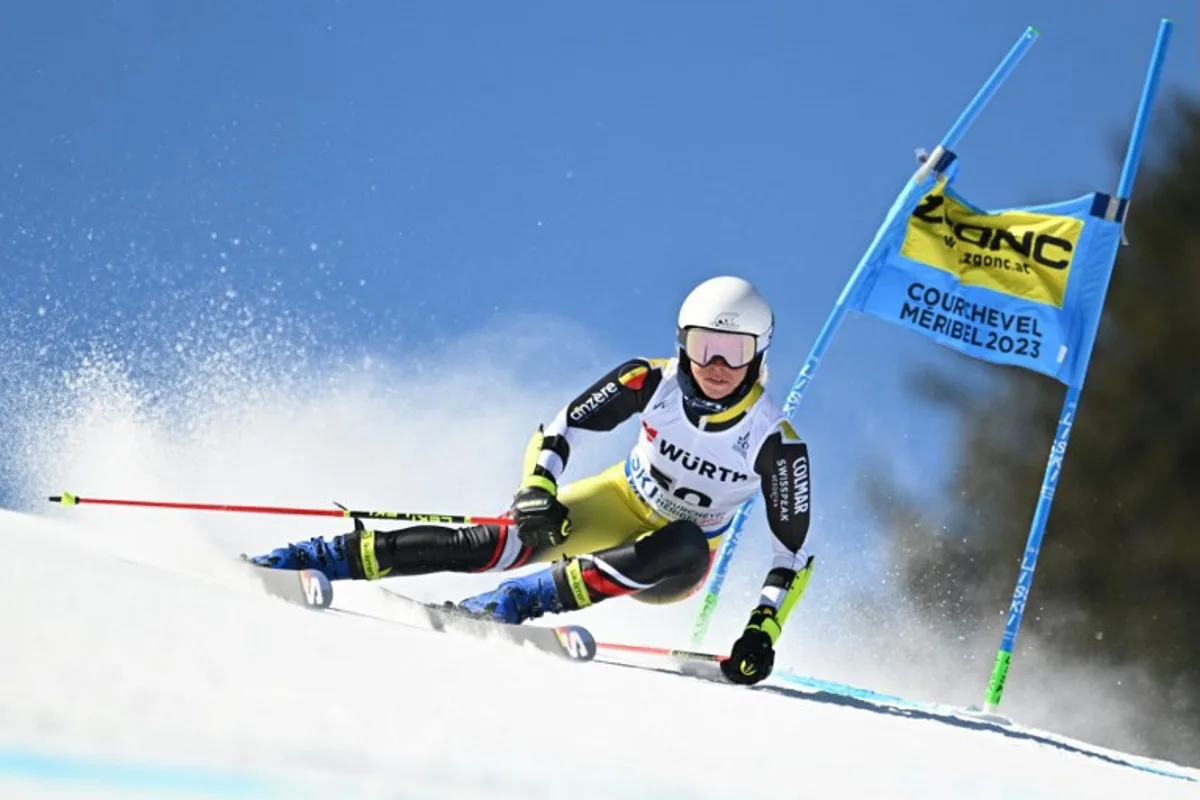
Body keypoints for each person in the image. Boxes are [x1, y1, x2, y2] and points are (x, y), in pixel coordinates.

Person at [250, 275, 815, 685]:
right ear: (681, 344)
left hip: (674, 564)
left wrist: (762, 630)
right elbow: (560, 429)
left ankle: (509, 605)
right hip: (619, 499)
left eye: (734, 352)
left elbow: (792, 556)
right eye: (703, 346)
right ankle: (322, 555)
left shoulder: (775, 442)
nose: (717, 366)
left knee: (686, 538)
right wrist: (537, 489)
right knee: (496, 541)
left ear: (759, 354)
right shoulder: (649, 381)